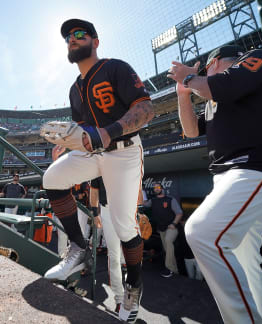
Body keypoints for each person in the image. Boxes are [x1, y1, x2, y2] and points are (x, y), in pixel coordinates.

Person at [42, 19, 154, 323]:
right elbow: (85, 131)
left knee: (124, 227)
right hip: (93, 152)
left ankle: (133, 288)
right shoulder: (74, 89)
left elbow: (146, 109)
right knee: (52, 177)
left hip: (125, 150)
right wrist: (68, 143)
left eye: (79, 34)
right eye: (68, 37)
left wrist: (110, 130)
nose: (72, 39)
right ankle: (78, 249)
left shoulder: (115, 67)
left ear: (95, 41)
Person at [168, 45, 262, 324]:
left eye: (207, 66)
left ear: (217, 62)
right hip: (227, 177)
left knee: (201, 233)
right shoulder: (213, 98)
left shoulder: (254, 57)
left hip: (254, 167)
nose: (205, 71)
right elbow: (190, 130)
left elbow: (223, 85)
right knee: (245, 262)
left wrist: (190, 77)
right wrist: (183, 93)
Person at [90, 177, 126, 313]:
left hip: (126, 209)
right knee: (114, 256)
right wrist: (95, 213)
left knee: (133, 255)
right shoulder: (99, 163)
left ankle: (132, 293)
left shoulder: (126, 158)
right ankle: (120, 299)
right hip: (107, 210)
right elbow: (93, 193)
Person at [142, 182, 183, 278]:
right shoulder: (153, 200)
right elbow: (144, 204)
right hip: (161, 228)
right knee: (167, 249)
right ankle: (175, 271)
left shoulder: (170, 199)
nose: (156, 188)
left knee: (168, 241)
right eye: (154, 188)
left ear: (162, 188)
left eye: (158, 187)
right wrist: (141, 192)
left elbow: (179, 213)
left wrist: (173, 224)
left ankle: (170, 269)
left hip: (171, 227)